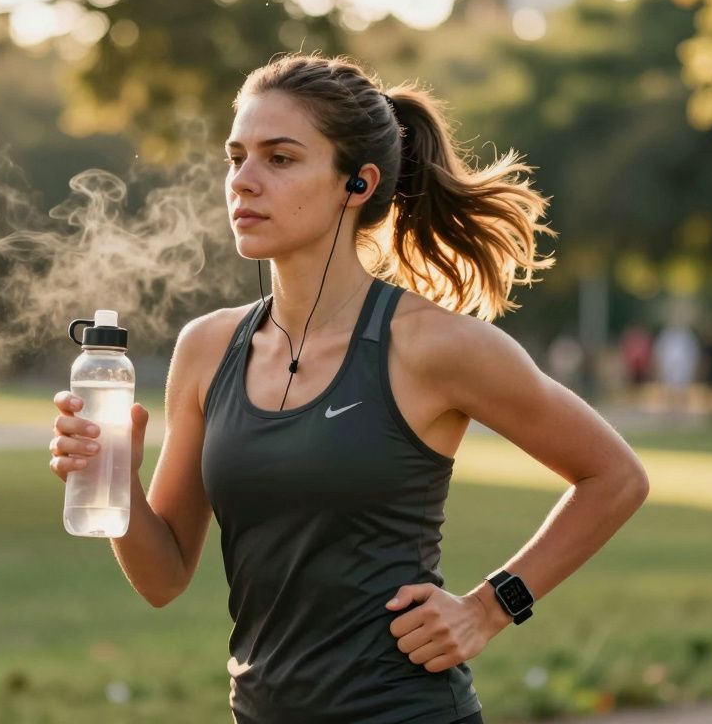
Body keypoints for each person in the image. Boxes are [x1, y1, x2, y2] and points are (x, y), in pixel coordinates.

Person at [49, 53, 650, 723]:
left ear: (357, 184)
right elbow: (163, 578)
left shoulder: (432, 346)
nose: (243, 182)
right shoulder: (207, 349)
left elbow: (615, 476)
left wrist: (490, 607)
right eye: (236, 157)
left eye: (280, 159)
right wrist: (117, 480)